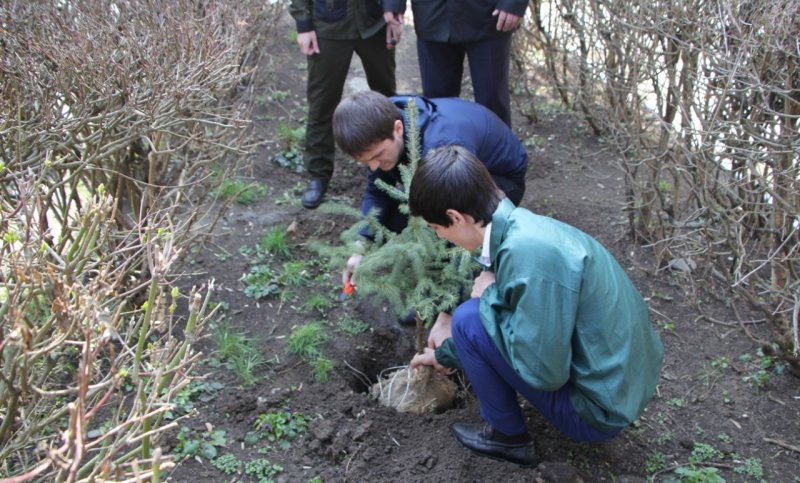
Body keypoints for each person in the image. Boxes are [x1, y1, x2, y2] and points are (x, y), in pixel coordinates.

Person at [407, 145, 664, 466]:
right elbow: (526, 324)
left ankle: (507, 438)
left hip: (598, 412)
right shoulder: (524, 229)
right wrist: (446, 356)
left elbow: (546, 373)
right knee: (475, 319)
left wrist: (488, 298)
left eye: (437, 229)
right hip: (623, 385)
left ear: (455, 217)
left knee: (469, 318)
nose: (443, 239)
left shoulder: (526, 257)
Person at [332, 90, 528, 305]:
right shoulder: (381, 126)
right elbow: (377, 190)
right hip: (450, 174)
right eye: (366, 161)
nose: (374, 166)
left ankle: (445, 297)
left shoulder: (441, 146)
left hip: (499, 179)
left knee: (446, 228)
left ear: (398, 129)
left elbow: (456, 212)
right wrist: (360, 245)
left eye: (378, 156)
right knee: (391, 222)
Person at [289, 0, 405, 209]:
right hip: (328, 26)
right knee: (321, 105)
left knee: (387, 101)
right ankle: (318, 174)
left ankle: (400, 167)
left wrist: (394, 10)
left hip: (375, 22)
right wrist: (303, 24)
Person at [391, 0, 529, 126]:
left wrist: (513, 3)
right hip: (432, 15)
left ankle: (498, 153)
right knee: (437, 109)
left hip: (489, 16)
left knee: (493, 103)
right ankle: (442, 153)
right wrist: (393, 5)